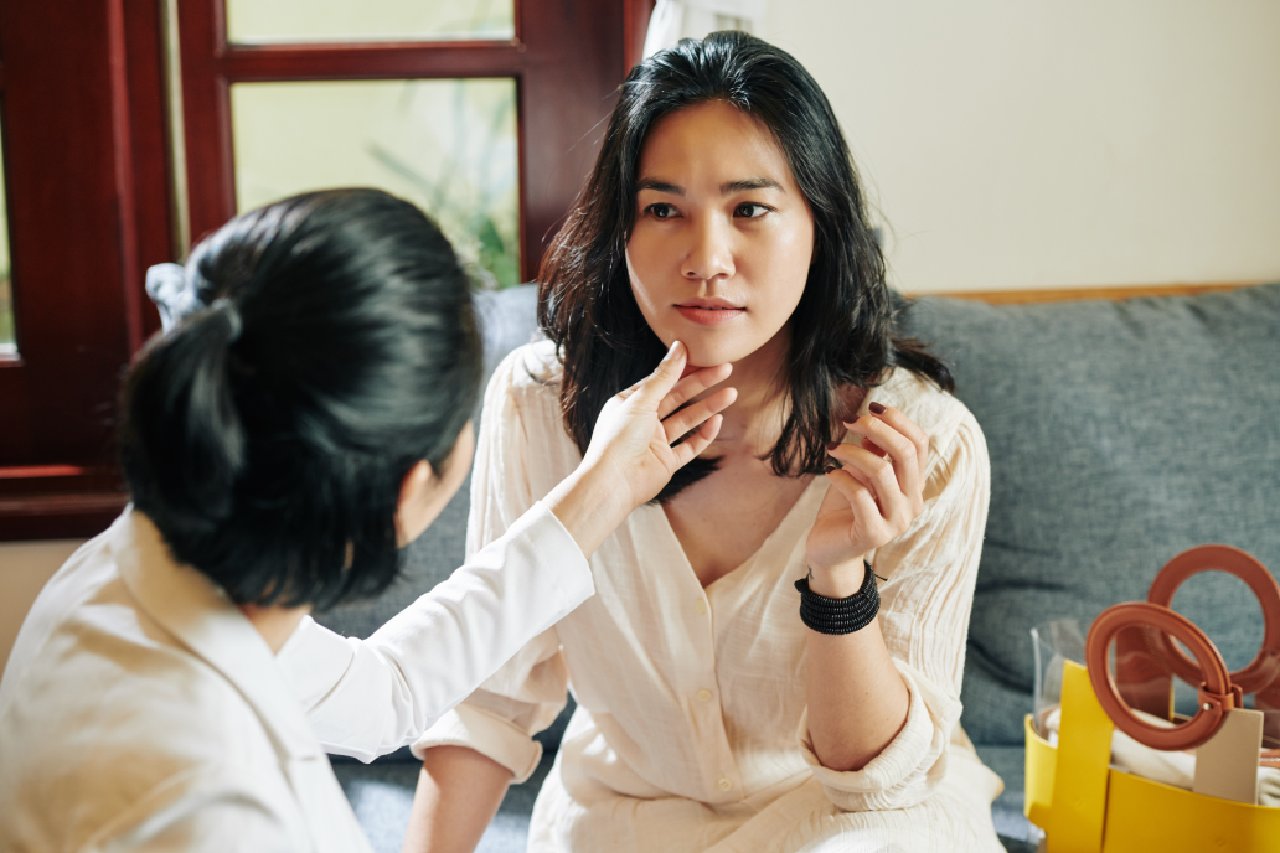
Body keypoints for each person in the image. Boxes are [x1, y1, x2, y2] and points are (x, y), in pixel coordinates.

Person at [283, 31, 1004, 852]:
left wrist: (839, 579)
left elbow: (873, 780)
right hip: (624, 819)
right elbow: (489, 697)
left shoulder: (925, 444)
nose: (706, 259)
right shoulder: (539, 404)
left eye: (749, 210)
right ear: (619, 229)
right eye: (663, 209)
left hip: (848, 825)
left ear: (820, 225)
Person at [0, 187, 735, 852]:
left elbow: (383, 692)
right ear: (412, 487)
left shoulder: (140, 564)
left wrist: (600, 489)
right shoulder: (215, 808)